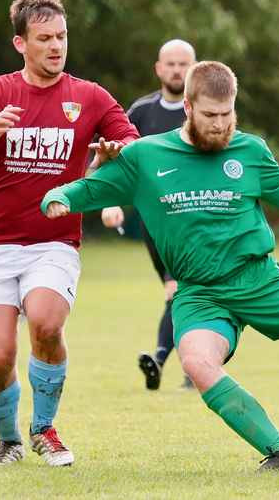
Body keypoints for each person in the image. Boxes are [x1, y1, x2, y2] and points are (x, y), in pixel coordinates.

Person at [41, 61, 279, 471]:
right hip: (200, 293)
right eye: (210, 115)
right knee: (196, 362)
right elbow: (91, 187)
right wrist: (59, 198)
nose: (220, 124)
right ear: (187, 107)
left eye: (227, 115)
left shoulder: (249, 149)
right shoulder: (146, 156)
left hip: (259, 279)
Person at [0, 0, 138, 466]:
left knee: (47, 324)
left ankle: (44, 428)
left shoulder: (90, 96)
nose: (56, 46)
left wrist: (110, 158)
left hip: (52, 243)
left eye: (62, 37)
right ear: (20, 43)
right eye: (44, 38)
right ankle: (9, 439)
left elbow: (133, 147)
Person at [100, 39, 196, 391]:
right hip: (155, 225)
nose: (176, 70)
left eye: (183, 64)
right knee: (181, 291)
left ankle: (165, 359)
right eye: (170, 64)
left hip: (196, 219)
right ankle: (188, 363)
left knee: (182, 289)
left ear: (195, 67)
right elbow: (119, 163)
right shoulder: (139, 113)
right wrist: (112, 203)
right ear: (158, 68)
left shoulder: (202, 111)